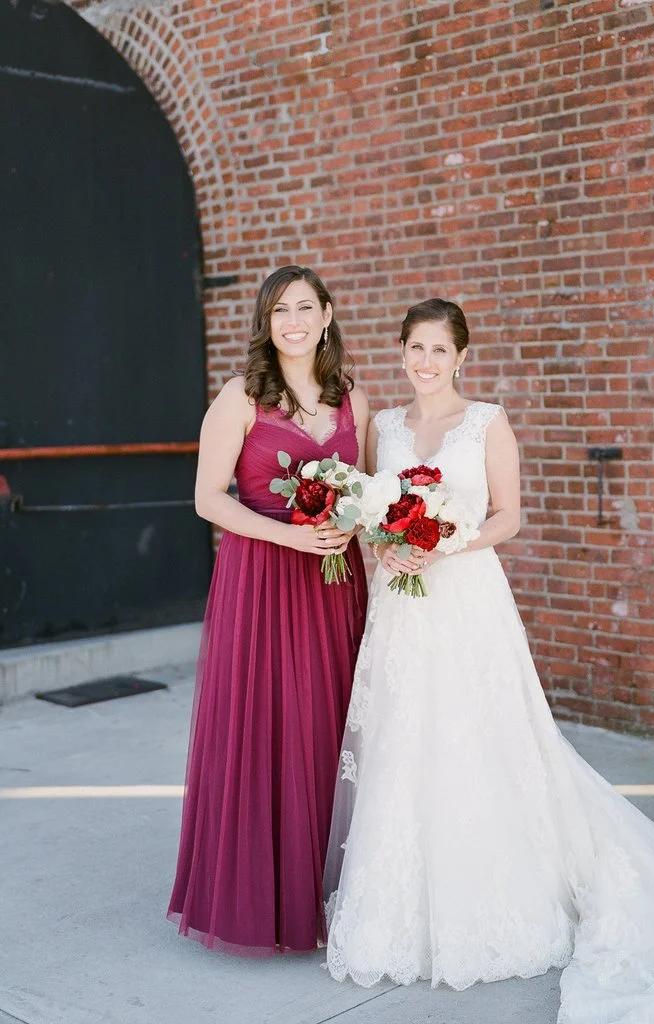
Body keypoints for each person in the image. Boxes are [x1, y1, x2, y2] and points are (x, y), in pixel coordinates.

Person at [323, 298, 654, 1022]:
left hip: (465, 598)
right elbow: (369, 506)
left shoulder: (487, 422)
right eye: (413, 348)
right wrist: (384, 544)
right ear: (400, 352)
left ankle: (496, 897)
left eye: (438, 350)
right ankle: (402, 908)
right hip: (401, 605)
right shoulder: (383, 427)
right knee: (405, 740)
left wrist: (441, 543)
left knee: (479, 738)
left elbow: (508, 516)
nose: (424, 362)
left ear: (463, 356)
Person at [168, 265, 369, 956]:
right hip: (261, 581)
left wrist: (372, 529)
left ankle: (330, 884)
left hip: (336, 584)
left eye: (305, 307)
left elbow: (366, 491)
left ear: (328, 314)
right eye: (279, 310)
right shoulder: (240, 398)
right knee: (270, 724)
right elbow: (208, 499)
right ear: (265, 321)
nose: (293, 321)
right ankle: (266, 897)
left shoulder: (352, 399)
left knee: (330, 724)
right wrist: (291, 535)